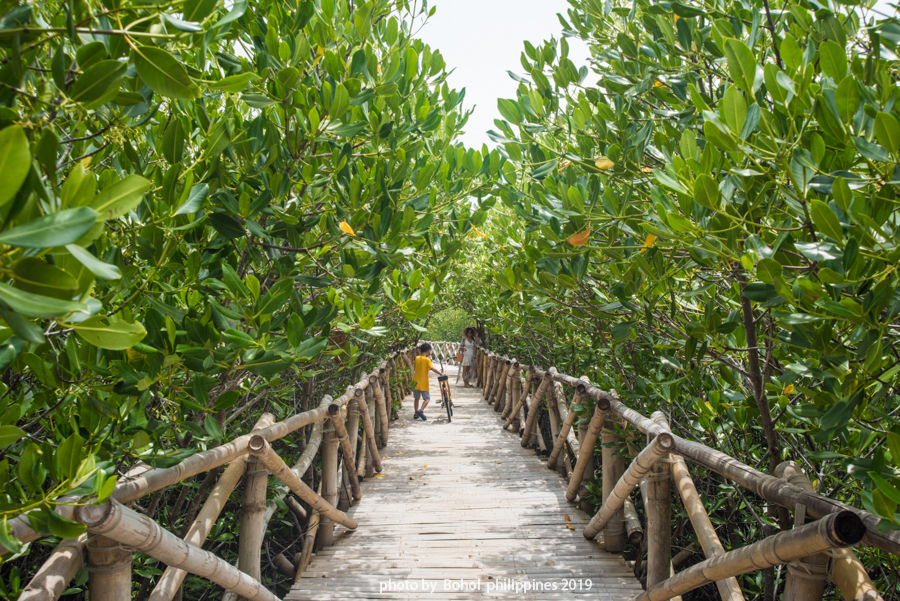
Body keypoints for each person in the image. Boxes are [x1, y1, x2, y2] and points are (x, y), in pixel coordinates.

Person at [413, 343, 443, 421]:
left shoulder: (417, 358)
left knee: (416, 398)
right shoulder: (427, 360)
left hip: (415, 382)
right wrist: (440, 373)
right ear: (428, 351)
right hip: (424, 383)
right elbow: (432, 368)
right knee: (426, 399)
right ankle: (421, 410)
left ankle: (416, 414)